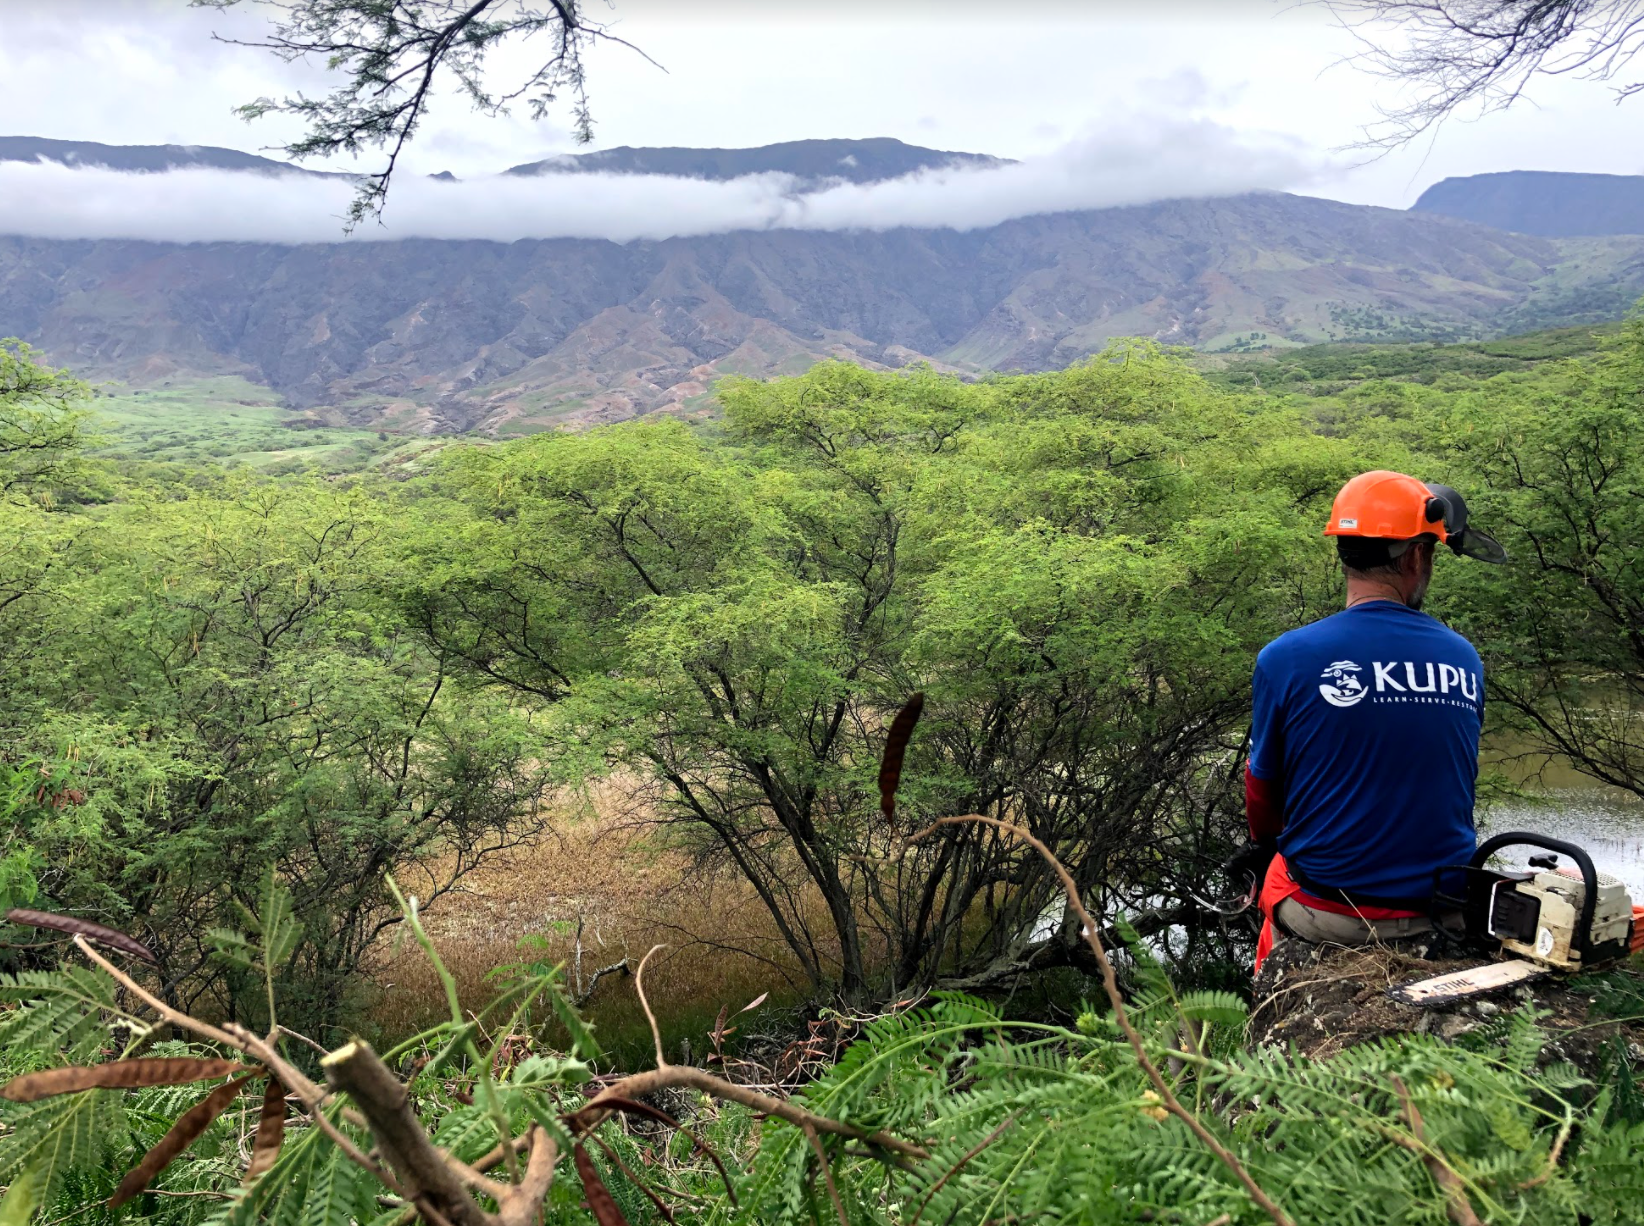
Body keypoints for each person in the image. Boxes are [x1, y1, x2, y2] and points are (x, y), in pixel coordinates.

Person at [1238, 469, 1508, 973]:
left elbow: (1262, 792)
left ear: (1343, 550)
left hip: (1330, 912)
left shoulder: (1287, 657)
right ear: (1415, 556)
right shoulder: (1463, 658)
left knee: (1276, 868)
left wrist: (1265, 846)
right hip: (1440, 912)